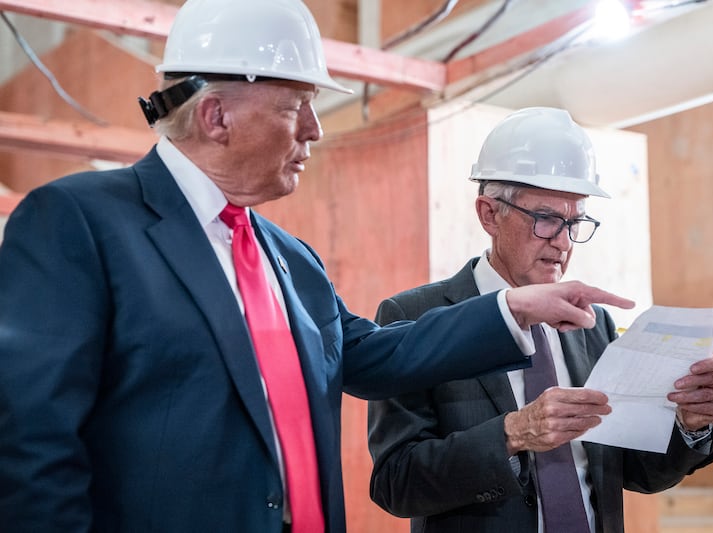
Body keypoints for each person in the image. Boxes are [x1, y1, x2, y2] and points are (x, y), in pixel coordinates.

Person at [0, 2, 636, 532]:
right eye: (294, 105)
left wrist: (510, 308)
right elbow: (29, 447)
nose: (315, 130)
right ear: (216, 115)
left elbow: (369, 357)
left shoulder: (288, 257)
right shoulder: (79, 222)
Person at [367, 107, 713, 533]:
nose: (562, 242)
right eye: (545, 219)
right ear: (489, 214)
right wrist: (514, 433)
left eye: (575, 222)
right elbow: (396, 482)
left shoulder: (592, 324)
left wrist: (689, 425)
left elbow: (634, 471)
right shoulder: (416, 317)